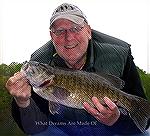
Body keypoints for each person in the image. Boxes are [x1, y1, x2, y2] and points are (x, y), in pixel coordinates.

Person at [5, 3, 149, 136]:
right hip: (63, 129)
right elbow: (34, 129)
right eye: (60, 31)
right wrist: (22, 102)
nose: (69, 38)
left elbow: (144, 122)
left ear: (88, 31)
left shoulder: (119, 56)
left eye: (75, 28)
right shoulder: (40, 62)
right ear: (51, 36)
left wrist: (116, 120)